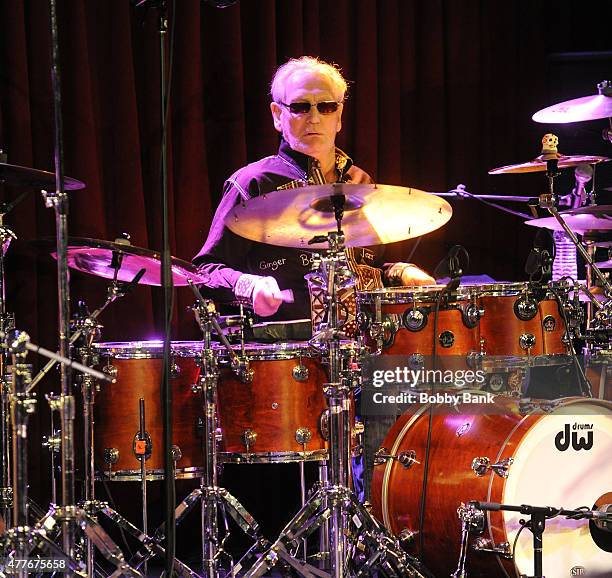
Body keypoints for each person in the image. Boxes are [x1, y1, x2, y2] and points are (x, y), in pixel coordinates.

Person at [193, 56, 434, 320]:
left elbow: (367, 268)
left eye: (327, 107)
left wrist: (400, 272)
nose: (315, 118)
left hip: (361, 346)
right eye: (300, 107)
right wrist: (249, 286)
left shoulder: (361, 182)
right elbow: (204, 271)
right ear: (277, 115)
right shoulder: (253, 183)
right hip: (286, 349)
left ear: (339, 116)